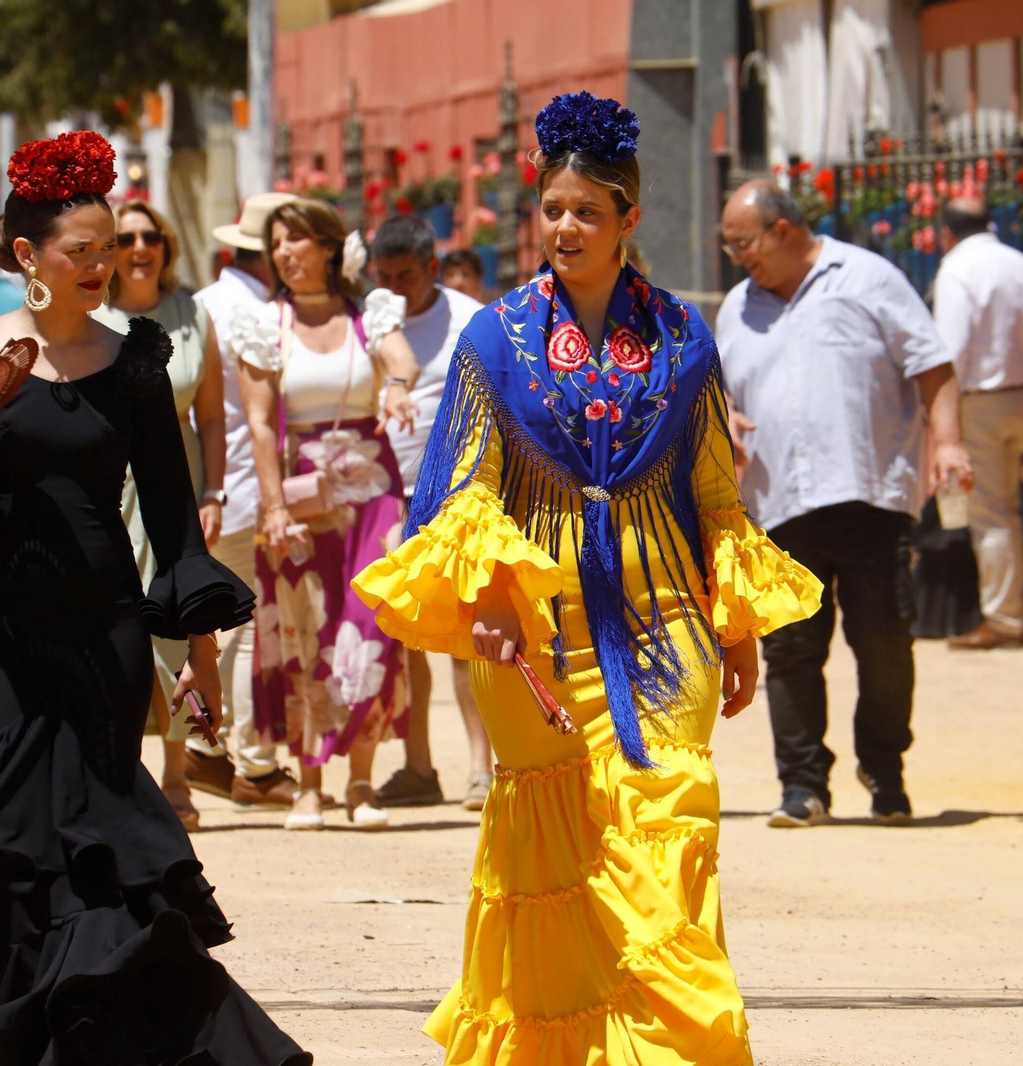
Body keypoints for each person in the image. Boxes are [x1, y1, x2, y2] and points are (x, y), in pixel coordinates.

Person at [0, 131, 312, 1062]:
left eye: (112, 250)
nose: (102, 267)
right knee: (1, 841)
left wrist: (199, 658)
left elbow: (173, 523)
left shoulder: (136, 361)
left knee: (94, 846)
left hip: (103, 636)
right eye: (80, 251)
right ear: (25, 256)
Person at [354, 92, 821, 1064]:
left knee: (672, 820)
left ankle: (676, 1047)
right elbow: (461, 487)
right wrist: (484, 599)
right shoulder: (496, 339)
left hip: (665, 620)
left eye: (587, 212)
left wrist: (734, 627)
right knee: (558, 854)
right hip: (538, 628)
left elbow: (713, 490)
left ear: (627, 222)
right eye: (552, 209)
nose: (565, 227)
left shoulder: (684, 338)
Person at [718, 180, 972, 828]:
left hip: (870, 493)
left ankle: (884, 771)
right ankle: (803, 786)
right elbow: (716, 392)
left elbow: (932, 364)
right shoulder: (737, 309)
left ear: (783, 229)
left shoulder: (867, 277)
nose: (736, 257)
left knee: (885, 642)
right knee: (792, 649)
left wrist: (947, 442)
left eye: (742, 242)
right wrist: (727, 418)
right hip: (778, 503)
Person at [226, 197, 419, 831]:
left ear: (330, 248)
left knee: (372, 624)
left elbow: (401, 361)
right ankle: (309, 781)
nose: (283, 253)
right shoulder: (265, 324)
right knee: (306, 629)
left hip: (373, 490)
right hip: (302, 493)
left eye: (296, 240)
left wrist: (394, 389)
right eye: (275, 243)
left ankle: (360, 781)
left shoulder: (370, 314)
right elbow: (258, 422)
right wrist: (273, 505)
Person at [91, 199, 225, 833]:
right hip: (111, 485)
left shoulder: (191, 314)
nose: (139, 247)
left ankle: (176, 776)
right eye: (126, 238)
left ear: (166, 247)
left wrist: (215, 492)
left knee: (178, 620)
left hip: (176, 485)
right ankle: (119, 773)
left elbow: (214, 416)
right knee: (112, 621)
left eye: (150, 237)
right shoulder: (93, 313)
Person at [367, 214, 492, 811]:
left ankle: (481, 768)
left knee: (468, 637)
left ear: (433, 268)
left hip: (456, 496)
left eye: (407, 276)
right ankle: (418, 765)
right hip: (386, 497)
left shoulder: (471, 319)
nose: (396, 287)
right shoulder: (372, 319)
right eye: (385, 276)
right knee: (405, 640)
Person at [186, 191, 307, 808]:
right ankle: (235, 756)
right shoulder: (260, 312)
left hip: (218, 487)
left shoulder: (203, 305)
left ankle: (215, 746)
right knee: (253, 626)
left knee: (226, 623)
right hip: (252, 489)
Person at [932, 196, 1023, 650]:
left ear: (946, 233)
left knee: (990, 514)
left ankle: (1002, 620)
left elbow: (949, 348)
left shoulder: (959, 268)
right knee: (1007, 509)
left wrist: (941, 419)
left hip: (980, 399)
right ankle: (1010, 612)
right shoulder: (1021, 262)